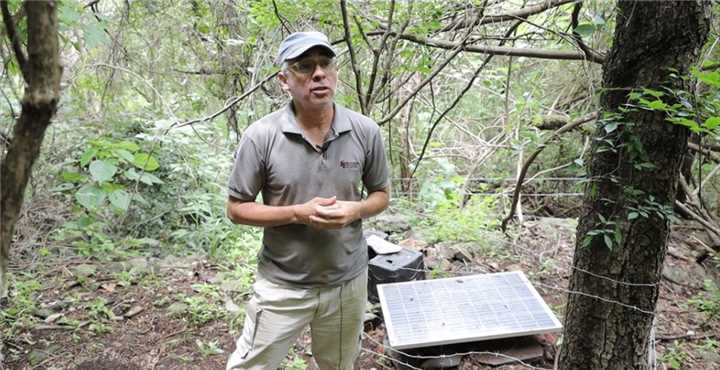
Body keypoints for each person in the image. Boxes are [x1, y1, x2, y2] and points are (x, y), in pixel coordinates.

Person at [225, 31, 390, 370]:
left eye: (325, 63)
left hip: (347, 281)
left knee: (339, 365)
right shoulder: (262, 136)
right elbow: (237, 208)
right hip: (283, 283)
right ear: (284, 79)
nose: (318, 73)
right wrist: (297, 213)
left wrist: (356, 209)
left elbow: (381, 195)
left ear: (335, 71)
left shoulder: (365, 131)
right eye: (304, 66)